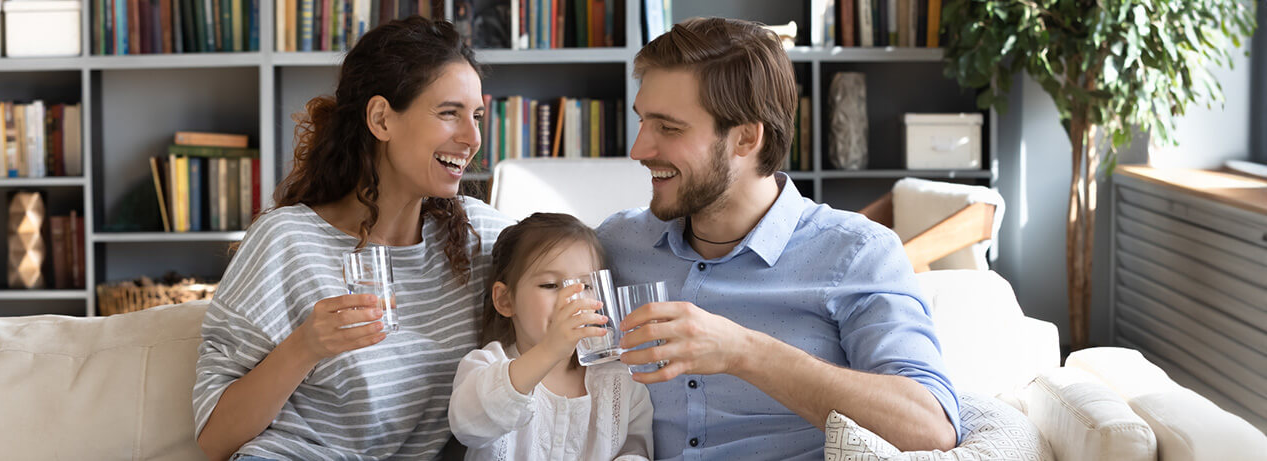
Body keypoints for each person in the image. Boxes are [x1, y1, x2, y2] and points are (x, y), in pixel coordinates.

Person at [597, 17, 961, 460]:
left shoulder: (857, 253)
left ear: (747, 137)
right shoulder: (615, 245)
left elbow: (930, 426)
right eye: (642, 121)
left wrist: (744, 352)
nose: (639, 149)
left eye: (669, 128)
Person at [192, 16, 514, 461]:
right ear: (381, 119)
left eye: (476, 116)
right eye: (448, 113)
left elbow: (574, 276)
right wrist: (306, 346)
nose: (472, 137)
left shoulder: (481, 238)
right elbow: (214, 438)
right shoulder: (287, 241)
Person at [449, 212, 653, 460]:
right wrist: (550, 349)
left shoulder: (621, 380)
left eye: (586, 286)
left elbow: (635, 450)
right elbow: (467, 426)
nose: (572, 300)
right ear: (505, 300)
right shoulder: (486, 366)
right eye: (550, 285)